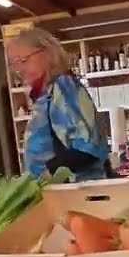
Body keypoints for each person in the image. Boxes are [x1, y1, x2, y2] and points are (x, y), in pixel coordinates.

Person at [7, 28, 109, 182]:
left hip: (73, 194)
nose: (19, 70)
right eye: (14, 64)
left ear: (48, 54)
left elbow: (87, 148)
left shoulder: (63, 86)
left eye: (23, 60)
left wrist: (49, 173)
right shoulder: (46, 94)